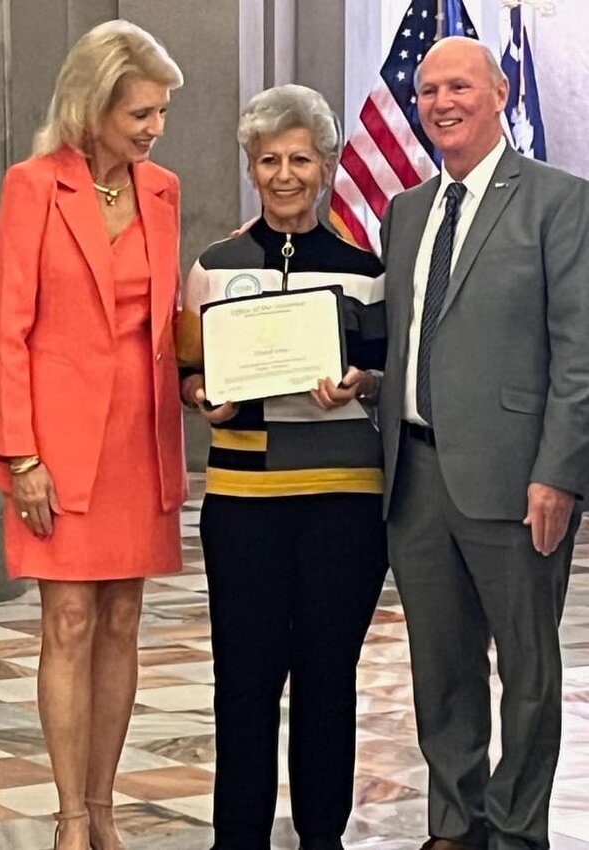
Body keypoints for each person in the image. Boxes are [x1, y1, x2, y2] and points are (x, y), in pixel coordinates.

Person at [0, 20, 186, 850]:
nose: (153, 128)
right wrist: (21, 453)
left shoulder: (161, 188)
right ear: (92, 107)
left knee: (124, 620)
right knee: (67, 622)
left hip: (141, 437)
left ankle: (103, 808)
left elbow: (165, 323)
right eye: (139, 112)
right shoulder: (33, 185)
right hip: (54, 446)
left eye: (160, 113)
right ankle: (65, 815)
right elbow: (6, 331)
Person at [377, 36, 589, 850]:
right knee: (441, 670)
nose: (441, 102)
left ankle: (515, 830)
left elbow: (578, 352)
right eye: (429, 91)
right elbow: (401, 340)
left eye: (458, 86)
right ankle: (453, 824)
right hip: (417, 478)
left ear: (499, 92)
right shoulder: (405, 211)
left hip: (518, 481)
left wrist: (559, 473)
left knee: (529, 677)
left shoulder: (558, 200)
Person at [176, 84, 388, 850]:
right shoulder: (214, 265)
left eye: (301, 157)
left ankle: (323, 839)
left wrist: (360, 383)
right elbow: (186, 375)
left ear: (328, 164)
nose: (285, 174)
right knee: (245, 681)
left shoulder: (367, 268)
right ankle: (237, 839)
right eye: (269, 160)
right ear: (251, 166)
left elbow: (384, 375)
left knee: (328, 680)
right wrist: (206, 397)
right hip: (244, 503)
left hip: (343, 502)